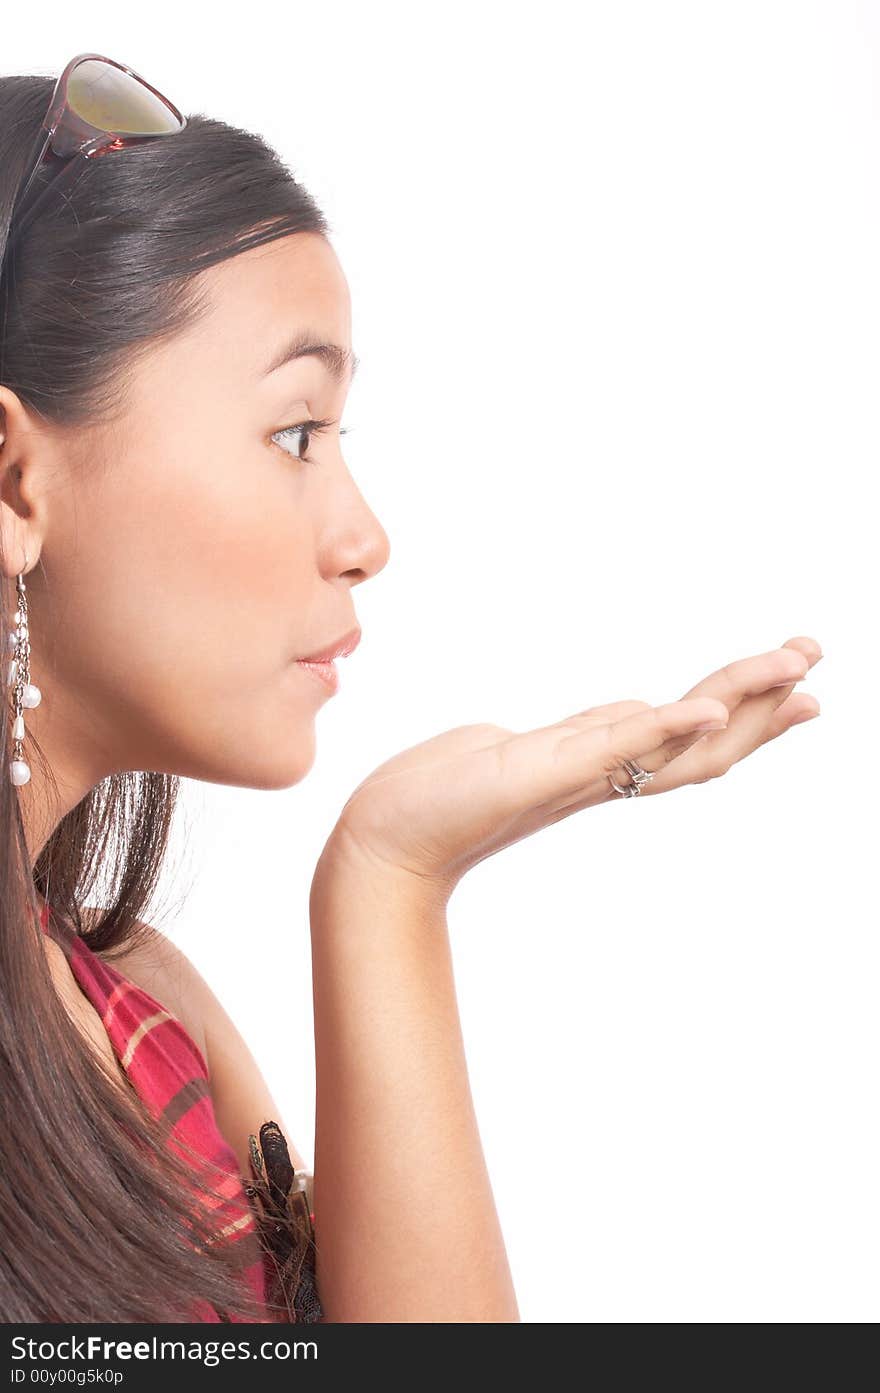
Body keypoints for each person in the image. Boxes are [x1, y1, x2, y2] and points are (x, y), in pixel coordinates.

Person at [0, 57, 822, 1325]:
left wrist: (391, 880)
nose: (364, 536)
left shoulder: (144, 1018)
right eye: (294, 432)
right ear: (14, 481)